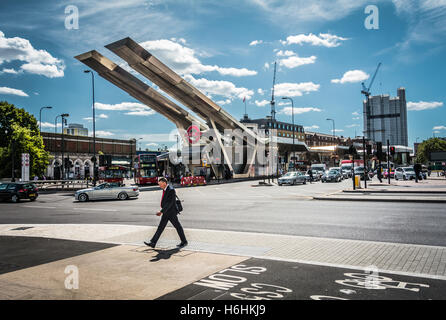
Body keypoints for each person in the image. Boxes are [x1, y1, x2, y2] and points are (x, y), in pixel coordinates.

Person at [144, 177, 187, 248]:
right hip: (166, 212)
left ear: (164, 183)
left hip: (171, 213)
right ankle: (153, 242)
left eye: (160, 184)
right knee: (160, 227)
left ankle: (184, 241)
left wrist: (161, 211)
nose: (159, 186)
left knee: (178, 227)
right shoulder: (165, 189)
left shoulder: (171, 190)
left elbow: (170, 203)